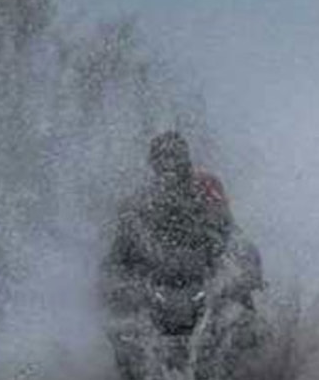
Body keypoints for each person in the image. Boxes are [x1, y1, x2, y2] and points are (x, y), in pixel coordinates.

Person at [103, 131, 261, 312]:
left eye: (174, 158)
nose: (169, 165)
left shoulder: (206, 186)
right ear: (153, 164)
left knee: (238, 307)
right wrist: (116, 281)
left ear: (185, 160)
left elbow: (228, 229)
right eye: (162, 159)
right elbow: (120, 250)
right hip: (160, 274)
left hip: (205, 267)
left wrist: (244, 269)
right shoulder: (140, 200)